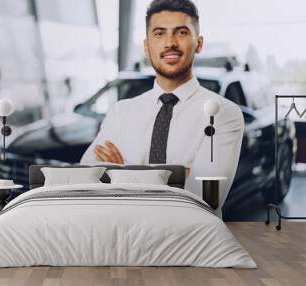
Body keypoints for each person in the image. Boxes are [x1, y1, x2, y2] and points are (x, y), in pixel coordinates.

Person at [80, 0, 244, 214]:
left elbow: (204, 199)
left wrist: (123, 172)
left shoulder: (222, 113)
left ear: (199, 43)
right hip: (124, 236)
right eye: (159, 33)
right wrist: (175, 175)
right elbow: (86, 178)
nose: (170, 43)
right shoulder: (121, 111)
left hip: (189, 241)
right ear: (147, 47)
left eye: (181, 32)